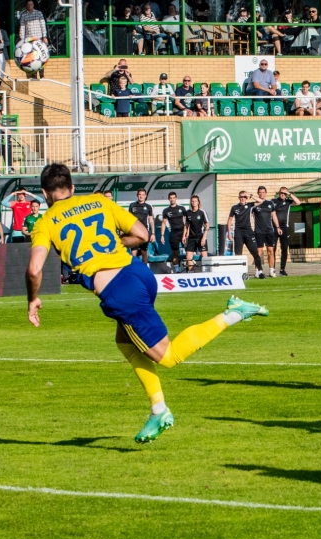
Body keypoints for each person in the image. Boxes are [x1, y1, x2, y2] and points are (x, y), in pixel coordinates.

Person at [25, 163, 269, 443]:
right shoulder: (97, 202)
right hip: (139, 273)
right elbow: (142, 235)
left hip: (120, 292)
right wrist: (115, 245)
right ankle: (158, 409)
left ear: (44, 193)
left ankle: (233, 314)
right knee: (125, 343)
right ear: (72, 186)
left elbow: (34, 269)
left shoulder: (45, 222)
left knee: (168, 356)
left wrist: (32, 299)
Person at [227, 191, 264, 278]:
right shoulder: (234, 207)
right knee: (238, 254)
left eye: (244, 197)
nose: (242, 198)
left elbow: (261, 201)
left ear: (246, 198)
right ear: (238, 197)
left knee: (255, 252)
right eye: (241, 197)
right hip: (238, 232)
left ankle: (260, 272)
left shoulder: (250, 205)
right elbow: (229, 220)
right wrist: (229, 233)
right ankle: (239, 273)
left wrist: (250, 195)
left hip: (248, 232)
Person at [251, 186, 280, 278]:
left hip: (269, 231)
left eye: (263, 192)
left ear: (266, 193)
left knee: (270, 251)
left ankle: (271, 270)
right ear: (258, 193)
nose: (261, 194)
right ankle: (258, 271)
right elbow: (250, 216)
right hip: (259, 231)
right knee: (258, 252)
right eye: (260, 192)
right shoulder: (255, 205)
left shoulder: (270, 203)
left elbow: (274, 216)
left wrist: (278, 227)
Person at [272, 187, 300, 276]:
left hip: (285, 228)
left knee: (284, 249)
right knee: (272, 249)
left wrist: (289, 194)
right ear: (279, 193)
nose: (282, 194)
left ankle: (282, 269)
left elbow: (298, 202)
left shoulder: (288, 201)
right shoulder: (273, 201)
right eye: (281, 193)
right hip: (274, 228)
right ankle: (272, 269)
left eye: (284, 193)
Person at [18, 0, 48, 77]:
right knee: (32, 58)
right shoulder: (24, 15)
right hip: (29, 40)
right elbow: (22, 28)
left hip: (39, 39)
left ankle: (42, 75)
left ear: (33, 5)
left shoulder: (39, 13)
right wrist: (22, 40)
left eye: (31, 4)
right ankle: (34, 75)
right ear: (26, 5)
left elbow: (43, 25)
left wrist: (44, 36)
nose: (30, 6)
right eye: (28, 5)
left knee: (41, 56)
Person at [159, 192, 188, 270]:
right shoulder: (166, 210)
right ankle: (177, 270)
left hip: (182, 232)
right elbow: (164, 223)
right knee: (175, 253)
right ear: (169, 199)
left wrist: (186, 233)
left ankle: (189, 270)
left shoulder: (182, 208)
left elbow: (187, 222)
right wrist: (162, 235)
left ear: (176, 198)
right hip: (174, 233)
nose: (172, 199)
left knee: (188, 252)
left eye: (173, 198)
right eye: (170, 198)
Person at [127, 189, 154, 263]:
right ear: (137, 195)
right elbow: (129, 219)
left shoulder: (148, 206)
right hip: (134, 232)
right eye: (139, 194)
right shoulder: (132, 205)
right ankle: (134, 268)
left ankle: (145, 268)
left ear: (145, 196)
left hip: (144, 232)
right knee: (133, 253)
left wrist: (153, 233)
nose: (141, 196)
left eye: (143, 195)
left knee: (144, 252)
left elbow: (151, 220)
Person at [185, 195, 209, 271]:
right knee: (188, 257)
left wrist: (204, 237)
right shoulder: (188, 212)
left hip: (200, 237)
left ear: (198, 202)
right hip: (191, 237)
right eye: (192, 201)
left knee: (204, 256)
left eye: (195, 201)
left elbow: (207, 225)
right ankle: (192, 273)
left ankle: (206, 273)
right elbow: (187, 224)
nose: (194, 203)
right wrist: (184, 236)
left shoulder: (202, 212)